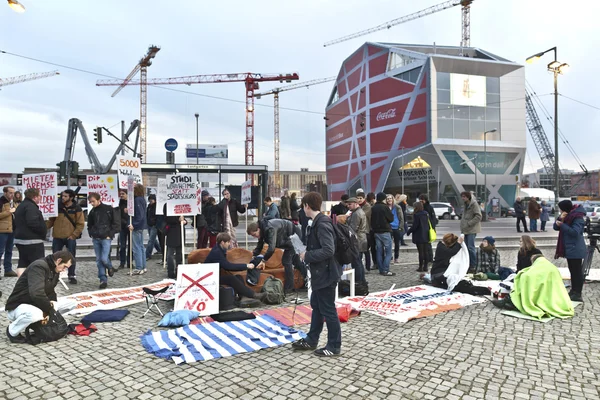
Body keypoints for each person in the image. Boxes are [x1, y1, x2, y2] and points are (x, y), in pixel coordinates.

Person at [292, 192, 342, 357]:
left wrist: (307, 255)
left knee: (328, 310)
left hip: (326, 275)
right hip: (321, 273)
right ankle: (311, 339)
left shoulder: (322, 223)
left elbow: (328, 250)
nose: (303, 210)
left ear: (307, 206)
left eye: (303, 206)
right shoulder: (317, 222)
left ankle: (334, 346)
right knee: (317, 307)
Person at [5, 250, 77, 343]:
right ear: (59, 260)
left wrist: (52, 305)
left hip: (37, 304)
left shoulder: (55, 269)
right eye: (65, 267)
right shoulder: (38, 266)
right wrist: (49, 309)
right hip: (19, 305)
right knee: (35, 314)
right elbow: (36, 293)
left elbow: (50, 291)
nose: (64, 270)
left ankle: (42, 322)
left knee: (72, 303)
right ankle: (12, 331)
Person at [492, 254, 574, 320]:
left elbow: (529, 276)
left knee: (524, 284)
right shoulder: (550, 266)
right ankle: (511, 302)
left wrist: (521, 275)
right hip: (552, 293)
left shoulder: (539, 266)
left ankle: (511, 301)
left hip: (545, 294)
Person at [204, 232, 268, 304]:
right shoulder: (217, 252)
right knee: (231, 279)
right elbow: (227, 266)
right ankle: (254, 295)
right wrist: (246, 266)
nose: (229, 244)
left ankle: (243, 297)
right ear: (222, 242)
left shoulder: (219, 249)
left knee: (238, 277)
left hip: (213, 276)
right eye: (228, 242)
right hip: (209, 279)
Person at [247, 218, 306, 293]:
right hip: (288, 241)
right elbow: (260, 245)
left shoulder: (270, 229)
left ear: (258, 229)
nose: (254, 237)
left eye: (254, 234)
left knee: (286, 261)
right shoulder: (263, 230)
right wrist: (254, 255)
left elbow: (271, 248)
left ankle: (289, 288)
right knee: (297, 263)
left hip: (293, 238)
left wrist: (263, 260)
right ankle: (307, 281)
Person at [47, 189, 85, 284]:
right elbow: (51, 221)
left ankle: (71, 275)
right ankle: (55, 275)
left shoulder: (77, 208)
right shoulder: (57, 207)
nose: (63, 198)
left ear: (71, 197)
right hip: (57, 236)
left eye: (65, 196)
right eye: (62, 196)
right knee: (55, 257)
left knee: (71, 257)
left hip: (70, 237)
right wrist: (42, 227)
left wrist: (73, 235)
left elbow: (80, 224)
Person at [554, 200, 587, 302]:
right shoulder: (568, 217)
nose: (560, 211)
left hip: (575, 248)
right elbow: (556, 227)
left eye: (561, 209)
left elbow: (575, 232)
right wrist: (560, 219)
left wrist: (562, 225)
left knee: (577, 272)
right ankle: (573, 290)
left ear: (565, 209)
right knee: (572, 271)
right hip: (570, 248)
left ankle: (578, 293)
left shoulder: (577, 217)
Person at [87, 193, 120, 288]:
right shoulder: (92, 212)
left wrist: (110, 234)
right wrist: (91, 233)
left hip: (106, 237)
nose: (92, 203)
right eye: (90, 202)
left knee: (104, 258)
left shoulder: (108, 209)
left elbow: (116, 223)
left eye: (93, 201)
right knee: (99, 260)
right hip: (96, 237)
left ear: (98, 200)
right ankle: (103, 279)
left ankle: (110, 267)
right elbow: (89, 224)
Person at [14, 188, 47, 277]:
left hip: (21, 239)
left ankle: (21, 283)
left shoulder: (21, 206)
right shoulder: (31, 207)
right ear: (34, 197)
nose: (40, 198)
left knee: (23, 262)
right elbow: (33, 223)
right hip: (32, 240)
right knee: (37, 263)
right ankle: (34, 282)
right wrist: (42, 231)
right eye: (39, 196)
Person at [371, 192, 394, 276]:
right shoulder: (385, 207)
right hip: (385, 231)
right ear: (384, 198)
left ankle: (381, 269)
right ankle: (386, 270)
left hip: (376, 232)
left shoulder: (373, 208)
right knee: (388, 252)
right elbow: (391, 219)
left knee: (379, 251)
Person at [346, 197, 367, 282]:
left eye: (350, 204)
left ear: (356, 203)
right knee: (359, 262)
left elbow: (352, 229)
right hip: (361, 239)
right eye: (347, 204)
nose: (348, 206)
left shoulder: (356, 213)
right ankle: (361, 280)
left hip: (357, 240)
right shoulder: (358, 212)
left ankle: (358, 281)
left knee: (356, 262)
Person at [459, 191, 482, 272]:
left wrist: (469, 223)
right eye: (462, 196)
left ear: (468, 197)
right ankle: (467, 264)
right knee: (465, 248)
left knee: (470, 247)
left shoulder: (474, 204)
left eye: (464, 197)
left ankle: (473, 265)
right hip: (465, 229)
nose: (462, 198)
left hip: (471, 229)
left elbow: (478, 216)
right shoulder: (465, 204)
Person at [128, 184, 147, 275]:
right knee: (140, 247)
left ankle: (139, 267)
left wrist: (134, 224)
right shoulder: (142, 199)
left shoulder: (137, 200)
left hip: (137, 226)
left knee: (137, 247)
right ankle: (143, 266)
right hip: (141, 226)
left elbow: (140, 215)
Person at [164, 204, 186, 279]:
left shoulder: (180, 204)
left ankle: (178, 271)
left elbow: (183, 217)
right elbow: (167, 219)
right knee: (170, 254)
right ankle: (170, 271)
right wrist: (178, 220)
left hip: (180, 232)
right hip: (172, 232)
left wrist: (184, 221)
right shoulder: (167, 205)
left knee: (179, 254)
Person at [406, 202, 430, 272]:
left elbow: (415, 226)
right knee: (426, 251)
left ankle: (420, 267)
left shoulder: (417, 215)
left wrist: (409, 231)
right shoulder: (426, 213)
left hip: (419, 235)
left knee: (421, 252)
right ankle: (425, 266)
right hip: (426, 234)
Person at [0, 185, 17, 278]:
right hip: (2, 230)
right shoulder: (1, 202)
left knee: (9, 251)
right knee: (0, 251)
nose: (12, 194)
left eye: (13, 193)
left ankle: (8, 269)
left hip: (12, 229)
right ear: (5, 192)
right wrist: (9, 212)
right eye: (10, 192)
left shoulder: (12, 202)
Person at [419, 194, 438, 269]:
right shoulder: (421, 207)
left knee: (428, 245)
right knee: (425, 245)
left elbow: (433, 218)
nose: (421, 201)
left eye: (422, 199)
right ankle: (427, 258)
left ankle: (430, 258)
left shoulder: (428, 207)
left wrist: (432, 228)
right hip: (424, 228)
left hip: (429, 228)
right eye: (420, 199)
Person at [356, 190, 373, 271]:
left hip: (366, 230)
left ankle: (367, 267)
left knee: (366, 250)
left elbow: (362, 215)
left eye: (360, 198)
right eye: (358, 198)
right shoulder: (358, 207)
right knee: (360, 250)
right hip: (359, 231)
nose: (359, 200)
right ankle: (361, 267)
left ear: (364, 198)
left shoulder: (367, 206)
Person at [387, 194, 404, 264]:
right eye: (388, 199)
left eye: (390, 198)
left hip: (396, 227)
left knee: (397, 243)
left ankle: (396, 257)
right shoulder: (385, 207)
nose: (389, 200)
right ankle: (390, 257)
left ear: (393, 199)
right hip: (388, 228)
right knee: (388, 244)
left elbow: (401, 218)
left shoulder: (397, 207)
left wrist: (400, 227)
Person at [145, 194, 162, 260]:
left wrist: (155, 223)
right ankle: (159, 249)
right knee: (153, 239)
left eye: (152, 200)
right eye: (150, 200)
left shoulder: (157, 207)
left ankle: (147, 255)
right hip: (149, 224)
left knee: (151, 240)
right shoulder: (149, 206)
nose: (151, 201)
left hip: (154, 225)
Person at [117, 189, 130, 270]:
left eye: (123, 194)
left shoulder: (132, 202)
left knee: (131, 246)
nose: (121, 195)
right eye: (120, 194)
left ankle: (129, 262)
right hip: (122, 226)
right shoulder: (120, 203)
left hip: (130, 225)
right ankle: (122, 262)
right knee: (122, 245)